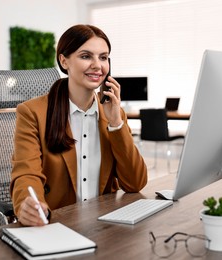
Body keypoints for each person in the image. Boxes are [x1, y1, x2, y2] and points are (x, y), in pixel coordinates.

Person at [10, 24, 148, 226]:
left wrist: (116, 123)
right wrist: (30, 204)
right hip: (56, 225)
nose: (97, 65)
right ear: (64, 61)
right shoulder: (32, 112)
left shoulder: (113, 113)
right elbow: (27, 173)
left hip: (106, 225)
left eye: (103, 57)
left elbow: (135, 183)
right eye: (86, 56)